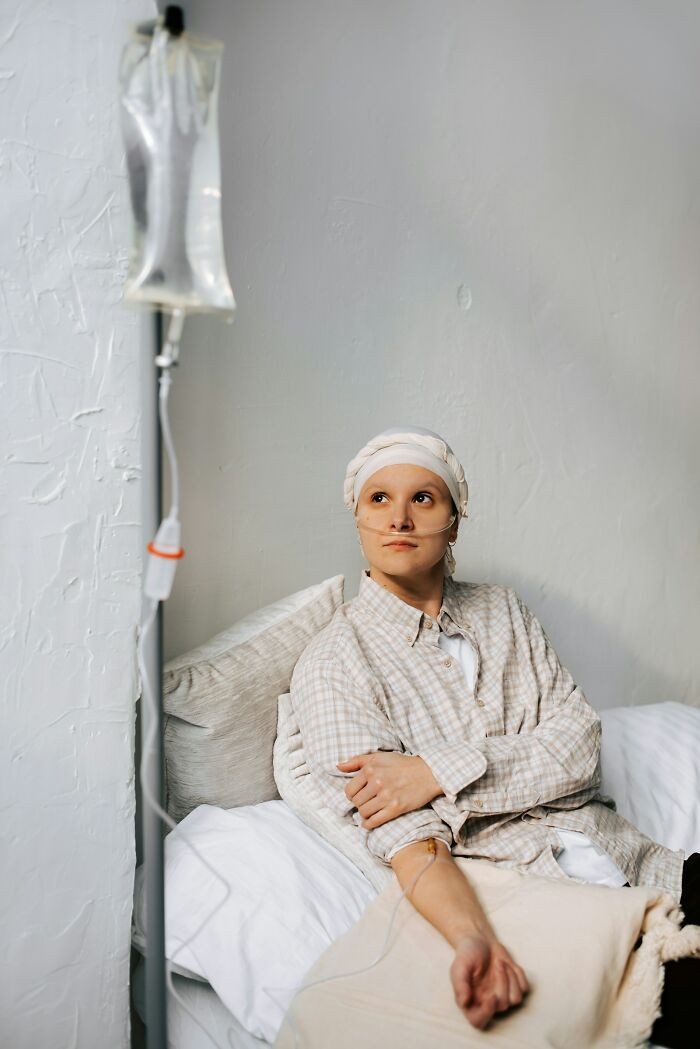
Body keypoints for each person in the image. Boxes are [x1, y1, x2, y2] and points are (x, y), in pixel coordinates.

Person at [289, 425, 698, 1045]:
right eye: (379, 500)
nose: (399, 517)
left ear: (454, 521)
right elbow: (407, 835)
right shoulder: (334, 663)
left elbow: (580, 748)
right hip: (550, 908)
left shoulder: (503, 610)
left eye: (423, 498)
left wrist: (433, 772)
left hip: (645, 866)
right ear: (357, 519)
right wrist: (472, 938)